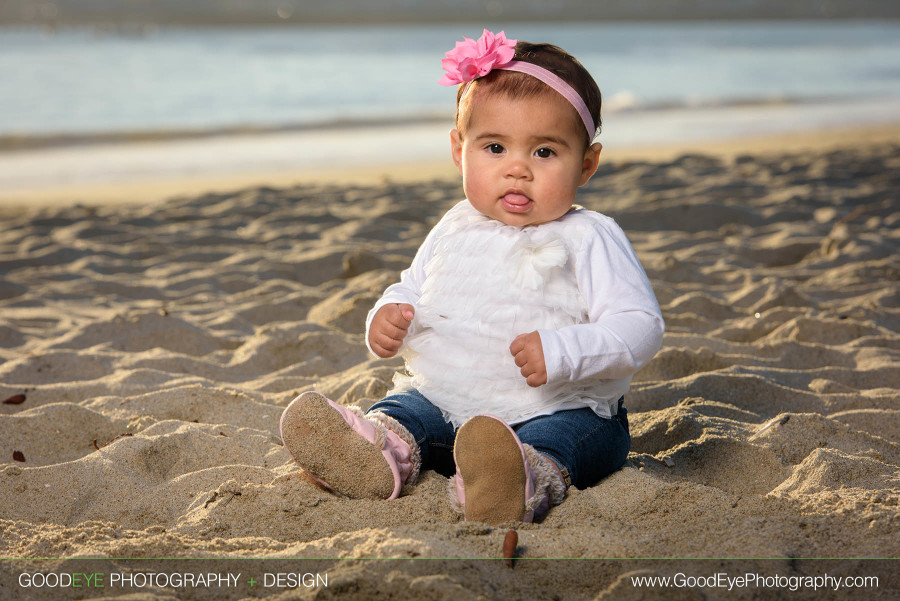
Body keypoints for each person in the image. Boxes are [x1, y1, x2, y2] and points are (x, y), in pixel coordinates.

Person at [280, 30, 664, 525]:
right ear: (460, 150)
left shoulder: (590, 237)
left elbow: (640, 325)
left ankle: (519, 477)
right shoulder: (455, 224)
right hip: (450, 403)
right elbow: (413, 286)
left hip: (559, 407)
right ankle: (379, 452)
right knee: (407, 407)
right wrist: (389, 315)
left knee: (571, 438)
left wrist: (564, 351)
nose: (518, 170)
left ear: (586, 164)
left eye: (545, 152)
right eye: (496, 147)